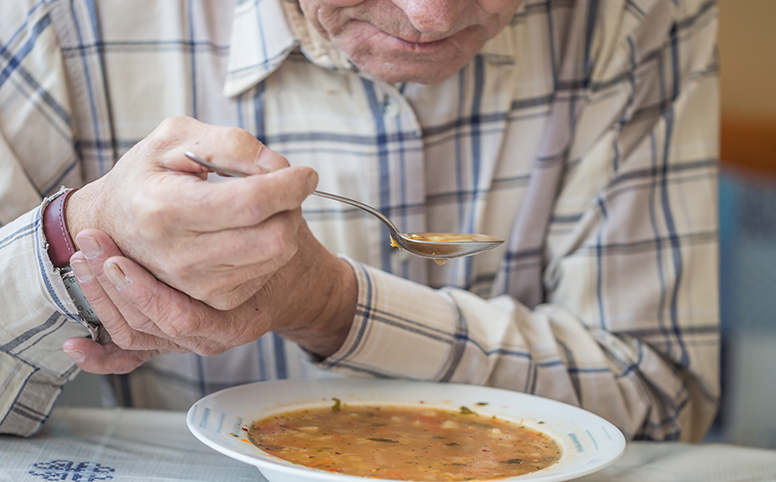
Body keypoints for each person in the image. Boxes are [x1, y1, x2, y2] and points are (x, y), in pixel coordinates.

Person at [0, 0, 720, 441]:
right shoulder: (60, 16)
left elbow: (658, 401)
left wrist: (331, 304)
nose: (431, 14)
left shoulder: (637, 17)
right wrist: (76, 231)